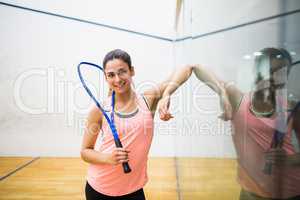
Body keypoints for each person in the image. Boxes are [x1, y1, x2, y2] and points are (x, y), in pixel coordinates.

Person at [158, 47, 300, 199]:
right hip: (250, 193)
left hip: (290, 192)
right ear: (257, 72)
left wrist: (289, 159)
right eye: (269, 70)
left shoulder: (291, 107)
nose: (273, 77)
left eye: (280, 72)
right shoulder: (239, 101)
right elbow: (197, 68)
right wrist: (222, 93)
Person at [80, 49, 196, 200]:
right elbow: (85, 152)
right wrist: (107, 158)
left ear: (132, 71)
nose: (117, 79)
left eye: (122, 72)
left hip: (133, 189)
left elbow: (188, 68)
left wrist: (166, 94)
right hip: (100, 189)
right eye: (111, 75)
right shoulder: (99, 110)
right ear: (106, 77)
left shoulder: (148, 99)